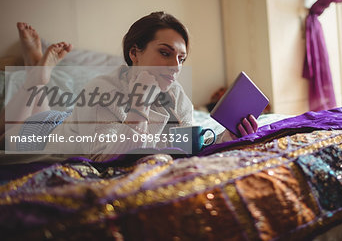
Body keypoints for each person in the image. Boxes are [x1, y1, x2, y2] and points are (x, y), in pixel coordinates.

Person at [1, 12, 258, 162]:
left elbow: (184, 145)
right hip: (48, 134)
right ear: (135, 53)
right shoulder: (100, 88)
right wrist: (139, 106)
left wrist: (225, 140)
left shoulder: (176, 95)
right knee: (6, 135)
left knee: (38, 110)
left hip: (71, 123)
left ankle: (35, 69)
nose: (175, 66)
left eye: (181, 59)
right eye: (164, 53)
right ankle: (35, 77)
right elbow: (105, 156)